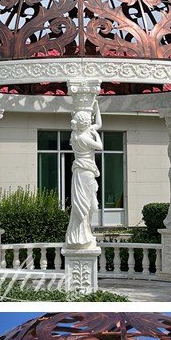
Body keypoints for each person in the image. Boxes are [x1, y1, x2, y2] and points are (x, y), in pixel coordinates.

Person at [66, 102, 103, 247]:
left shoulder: (76, 133)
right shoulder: (82, 137)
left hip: (84, 171)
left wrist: (96, 107)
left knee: (91, 205)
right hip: (85, 172)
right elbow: (100, 147)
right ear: (84, 123)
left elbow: (98, 123)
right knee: (87, 205)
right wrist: (96, 135)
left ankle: (86, 231)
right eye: (87, 121)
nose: (90, 123)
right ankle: (81, 234)